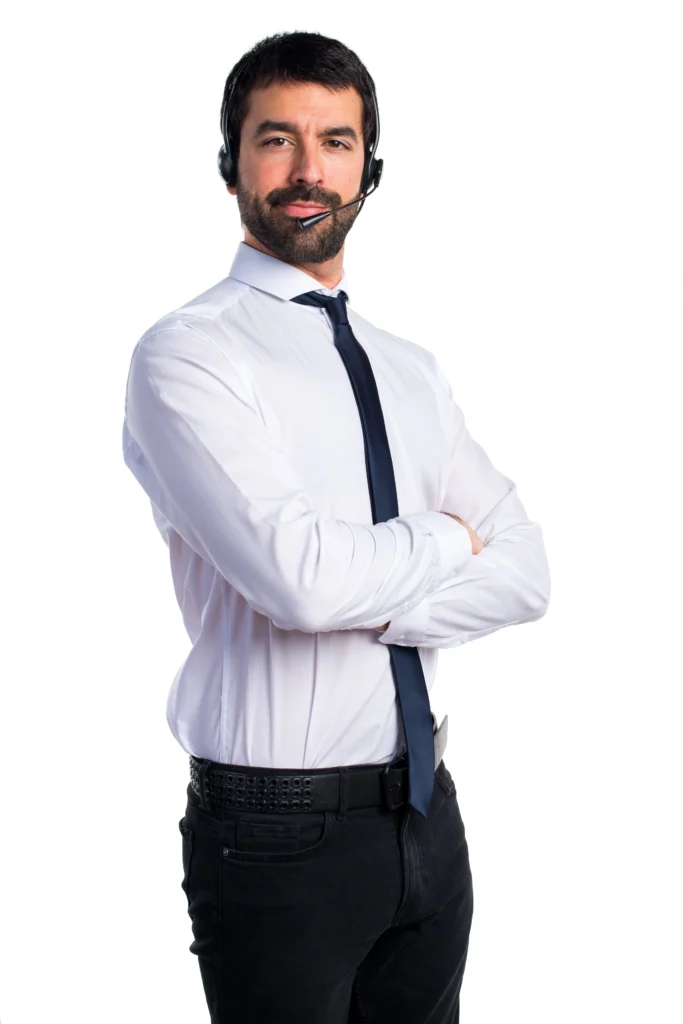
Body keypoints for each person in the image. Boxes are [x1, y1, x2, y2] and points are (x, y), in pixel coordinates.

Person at [121, 30, 550, 1024]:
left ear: (370, 168)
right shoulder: (188, 357)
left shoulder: (410, 368)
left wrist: (377, 599)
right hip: (276, 837)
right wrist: (446, 540)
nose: (309, 170)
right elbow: (300, 580)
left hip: (427, 816)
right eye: (277, 139)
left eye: (337, 141)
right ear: (231, 163)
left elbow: (526, 570)